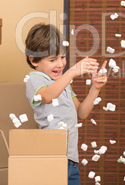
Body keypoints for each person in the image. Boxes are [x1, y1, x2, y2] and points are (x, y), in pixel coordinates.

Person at [24, 23, 107, 185]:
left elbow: (81, 113)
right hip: (51, 158)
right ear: (33, 60)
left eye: (62, 57)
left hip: (70, 160)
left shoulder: (63, 83)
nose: (60, 64)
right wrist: (72, 72)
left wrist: (95, 88)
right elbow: (47, 96)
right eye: (52, 59)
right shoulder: (35, 79)